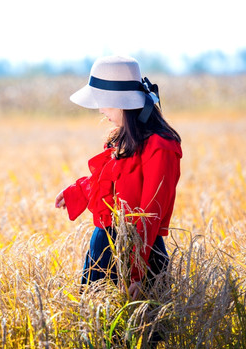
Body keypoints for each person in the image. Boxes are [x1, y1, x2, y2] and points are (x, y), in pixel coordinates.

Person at [54, 55, 182, 298]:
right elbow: (112, 186)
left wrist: (138, 273)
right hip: (103, 247)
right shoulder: (121, 139)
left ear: (123, 102)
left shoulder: (160, 147)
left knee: (142, 331)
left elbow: (150, 212)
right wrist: (76, 191)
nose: (101, 110)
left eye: (104, 102)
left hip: (142, 252)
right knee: (99, 330)